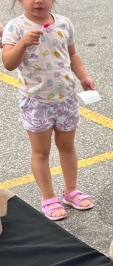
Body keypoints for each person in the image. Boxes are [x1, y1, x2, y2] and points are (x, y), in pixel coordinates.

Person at [2, 0, 96, 220]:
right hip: (36, 101)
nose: (38, 1)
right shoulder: (15, 27)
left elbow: (72, 54)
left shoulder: (64, 23)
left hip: (66, 98)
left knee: (67, 146)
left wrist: (83, 76)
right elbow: (8, 62)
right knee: (41, 152)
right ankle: (48, 197)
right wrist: (23, 43)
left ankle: (71, 191)